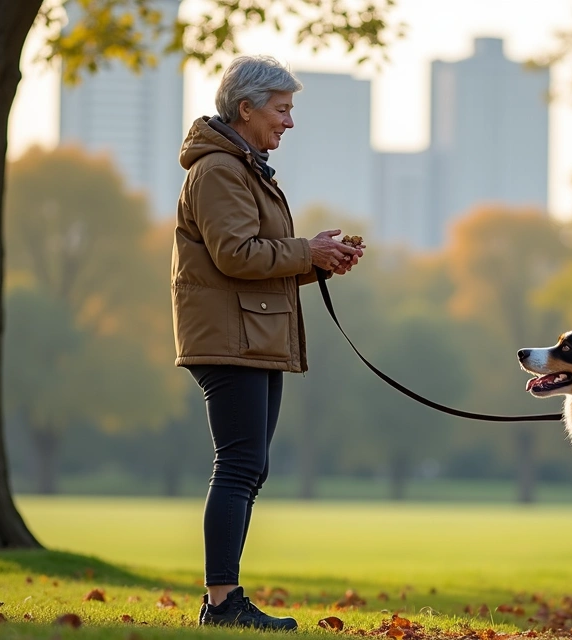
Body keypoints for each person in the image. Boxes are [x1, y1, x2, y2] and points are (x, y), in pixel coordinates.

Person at [171, 54, 364, 630]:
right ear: (246, 108)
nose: (289, 121)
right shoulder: (219, 171)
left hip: (251, 333)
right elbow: (235, 254)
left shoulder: (242, 166)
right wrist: (307, 252)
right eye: (282, 110)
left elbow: (254, 258)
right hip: (230, 338)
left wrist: (319, 258)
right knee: (238, 466)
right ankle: (223, 602)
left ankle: (224, 600)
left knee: (248, 468)